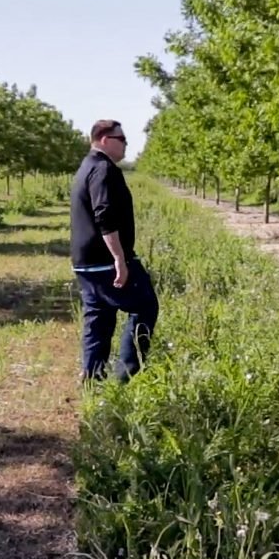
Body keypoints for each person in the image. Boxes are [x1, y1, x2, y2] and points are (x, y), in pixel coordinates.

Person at [70, 119, 159, 383]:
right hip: (105, 261)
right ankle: (126, 377)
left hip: (85, 261)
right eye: (123, 140)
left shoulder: (86, 166)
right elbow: (104, 215)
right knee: (144, 305)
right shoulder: (103, 169)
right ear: (106, 140)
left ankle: (92, 379)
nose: (126, 146)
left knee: (98, 318)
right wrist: (119, 258)